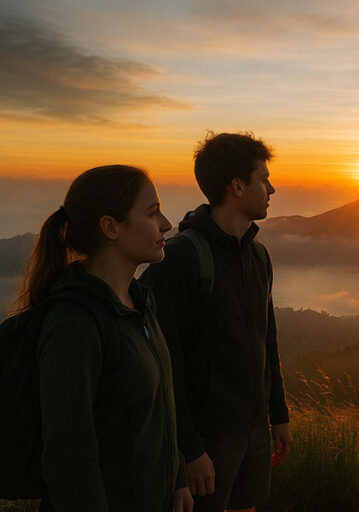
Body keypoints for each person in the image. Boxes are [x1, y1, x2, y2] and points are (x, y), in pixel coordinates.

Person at [14, 165, 193, 511]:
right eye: (152, 212)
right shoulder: (74, 325)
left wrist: (177, 476)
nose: (167, 224)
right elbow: (69, 461)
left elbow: (158, 408)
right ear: (110, 227)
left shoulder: (139, 302)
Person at [140, 132, 291, 512]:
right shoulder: (180, 261)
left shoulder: (258, 256)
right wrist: (190, 450)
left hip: (253, 431)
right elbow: (166, 365)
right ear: (237, 187)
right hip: (208, 440)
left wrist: (279, 415)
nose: (272, 189)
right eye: (264, 179)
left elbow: (267, 340)